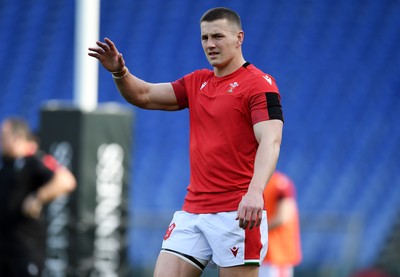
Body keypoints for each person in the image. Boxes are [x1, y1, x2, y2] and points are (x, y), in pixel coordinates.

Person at [89, 7, 284, 277]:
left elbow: (271, 141)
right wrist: (120, 72)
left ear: (239, 38)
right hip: (193, 211)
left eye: (218, 36)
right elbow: (144, 95)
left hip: (236, 213)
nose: (210, 44)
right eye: (204, 38)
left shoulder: (259, 85)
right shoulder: (197, 82)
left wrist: (254, 192)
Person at [0, 117, 77, 277]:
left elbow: (66, 180)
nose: (1, 142)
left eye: (4, 137)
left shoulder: (34, 161)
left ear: (17, 138)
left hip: (24, 250)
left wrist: (37, 197)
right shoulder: (6, 165)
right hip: (4, 249)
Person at [259, 171, 302, 277]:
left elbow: (282, 218)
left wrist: (255, 230)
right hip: (262, 252)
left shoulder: (279, 183)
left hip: (277, 253)